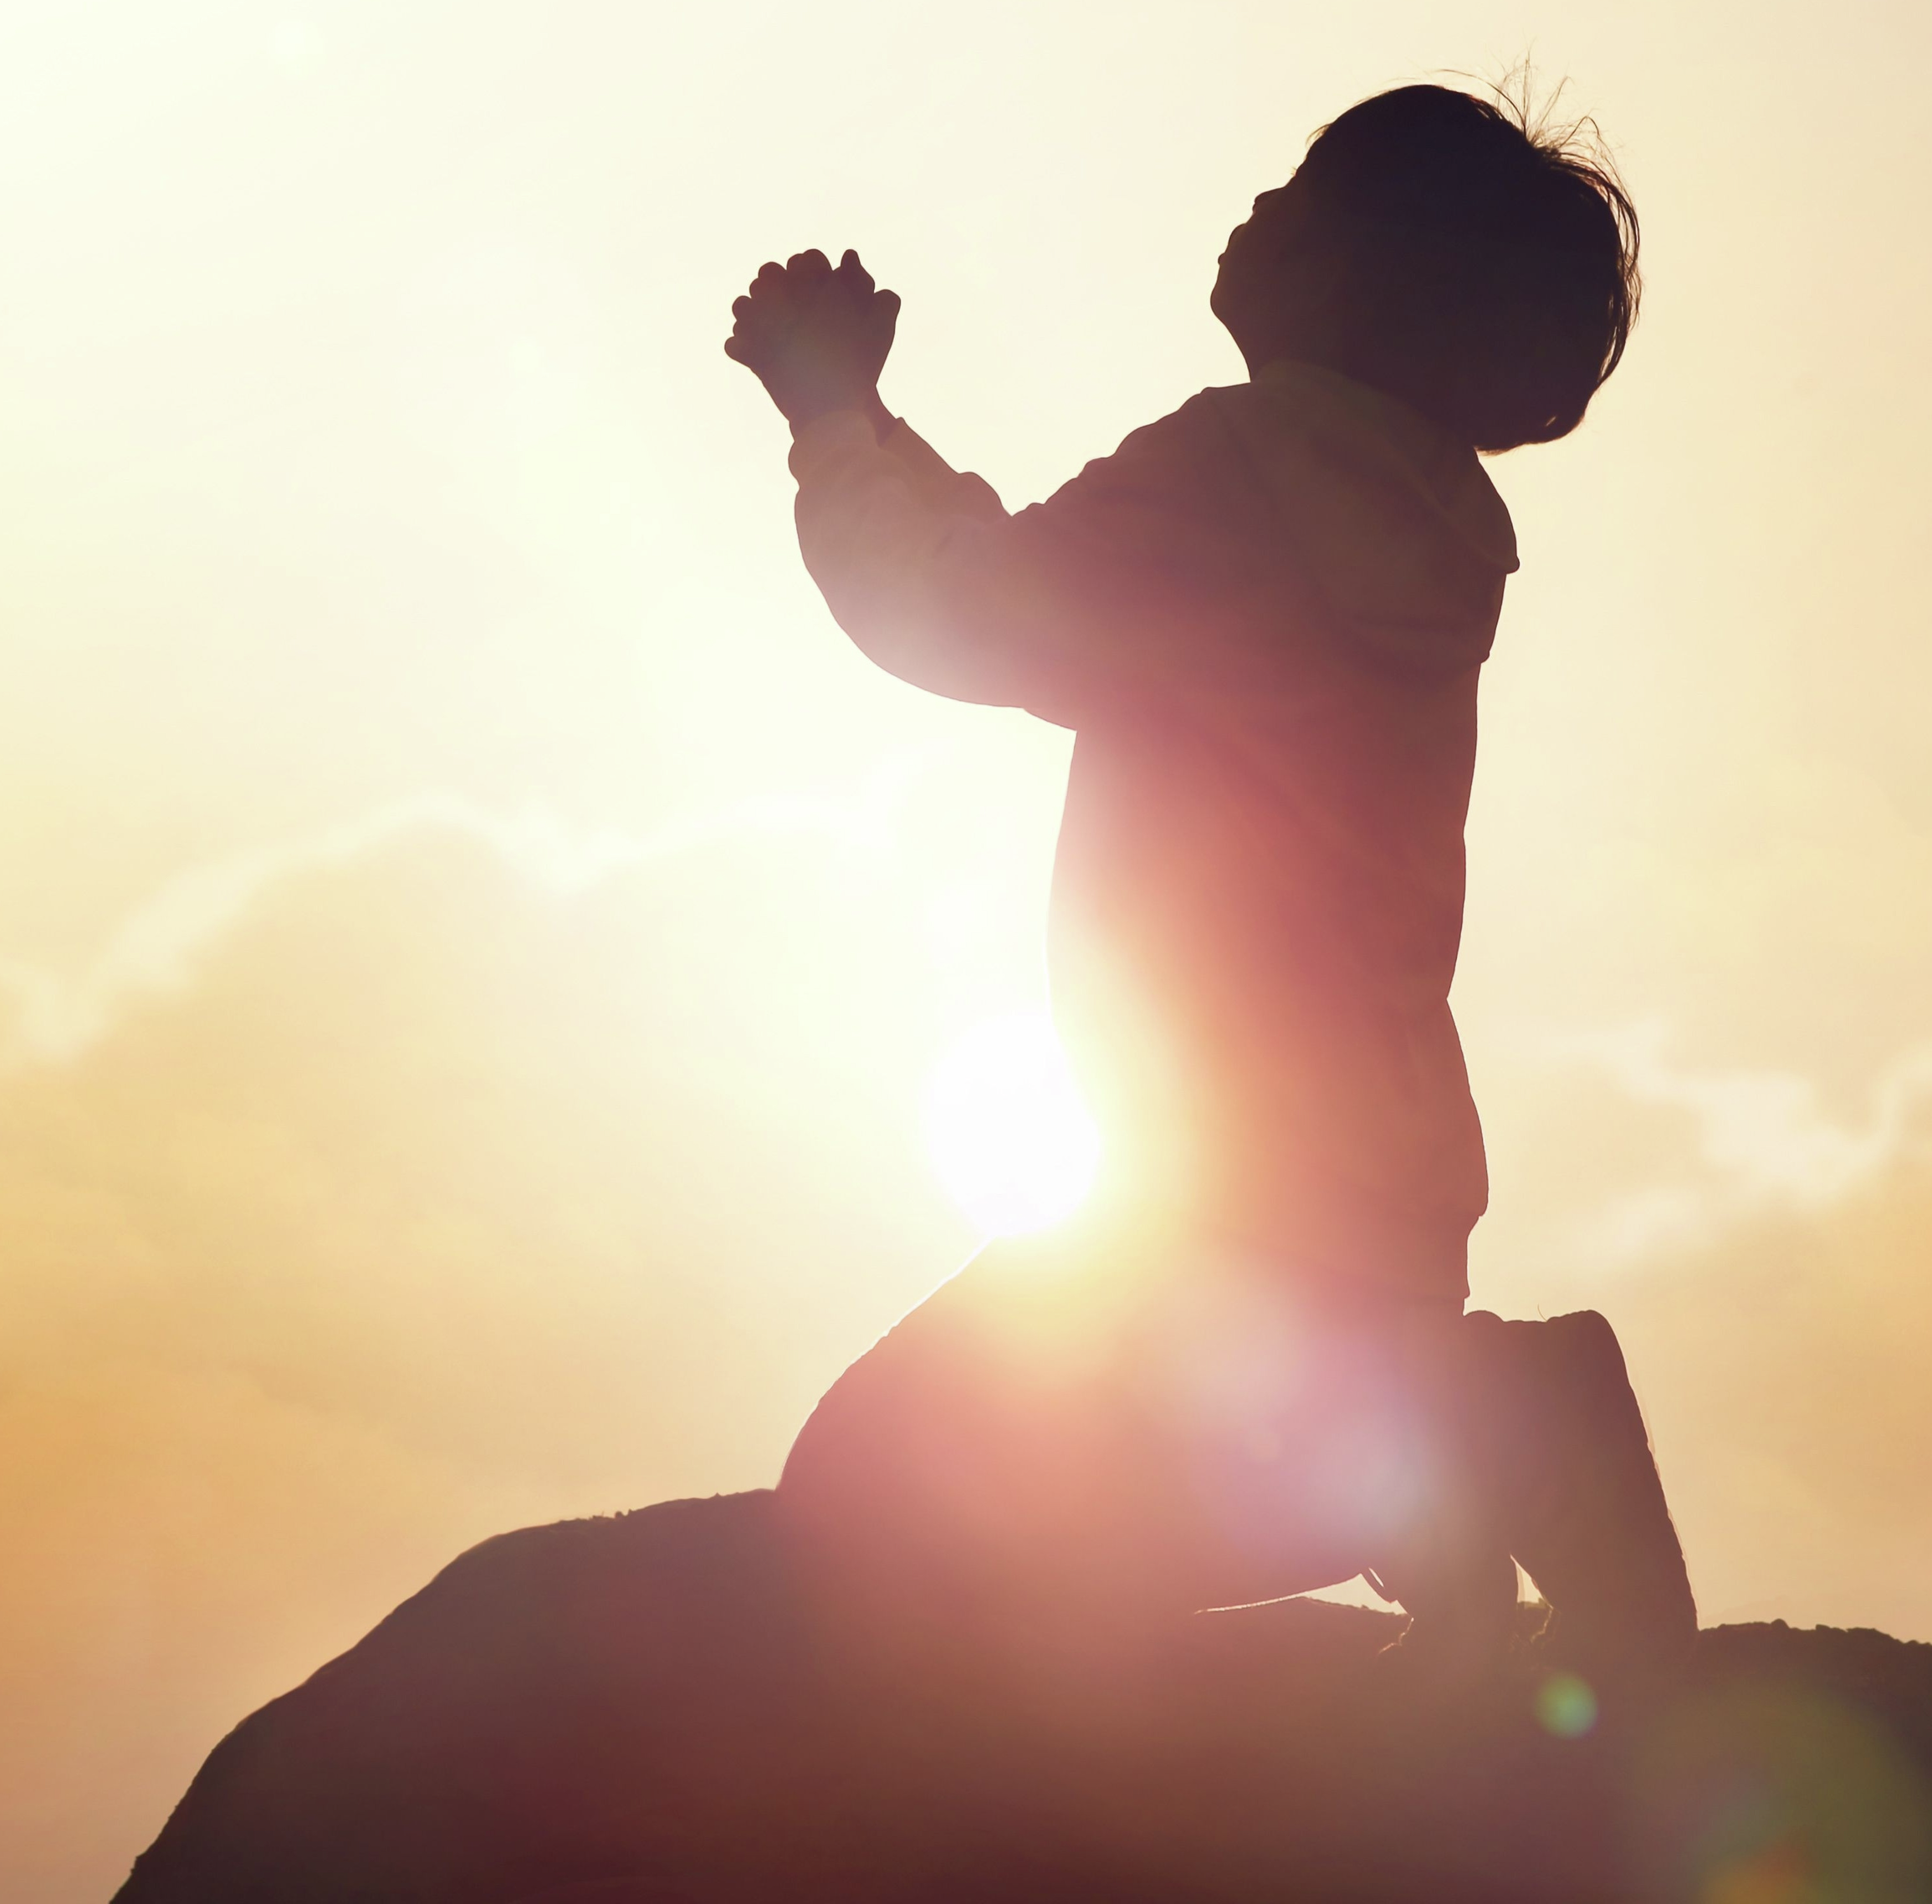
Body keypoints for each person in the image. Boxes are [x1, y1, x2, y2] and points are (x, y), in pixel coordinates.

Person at [727, 83, 1696, 1682]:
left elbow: (974, 611)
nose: (1259, 211)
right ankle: (1443, 1486)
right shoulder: (1431, 528)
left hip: (1199, 1190)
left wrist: (835, 421)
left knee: (866, 1503)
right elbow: (1039, 591)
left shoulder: (1237, 472)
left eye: (1304, 195)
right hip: (1373, 1189)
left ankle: (1490, 1425)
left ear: (1369, 273)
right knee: (1114, 1492)